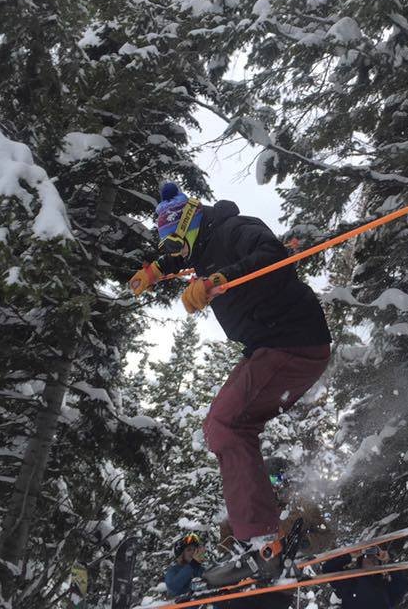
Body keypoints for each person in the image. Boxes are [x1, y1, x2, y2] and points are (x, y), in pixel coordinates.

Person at [130, 183, 332, 582]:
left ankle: (260, 540)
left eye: (174, 243)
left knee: (226, 422)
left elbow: (272, 255)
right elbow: (178, 260)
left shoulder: (236, 227)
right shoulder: (200, 247)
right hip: (270, 345)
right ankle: (257, 537)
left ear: (189, 224)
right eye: (168, 247)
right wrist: (153, 271)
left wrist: (219, 279)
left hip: (292, 340)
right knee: (220, 425)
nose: (174, 253)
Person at [321, 547, 408, 609]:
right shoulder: (349, 580)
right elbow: (328, 569)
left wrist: (388, 561)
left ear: (380, 563)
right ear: (360, 561)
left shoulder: (385, 586)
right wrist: (349, 556)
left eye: (375, 558)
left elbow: (403, 585)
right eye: (367, 556)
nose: (371, 559)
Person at [164, 533, 206, 597]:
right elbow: (173, 586)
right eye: (189, 550)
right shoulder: (173, 570)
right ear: (181, 555)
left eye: (195, 549)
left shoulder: (201, 569)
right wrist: (193, 564)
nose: (193, 552)